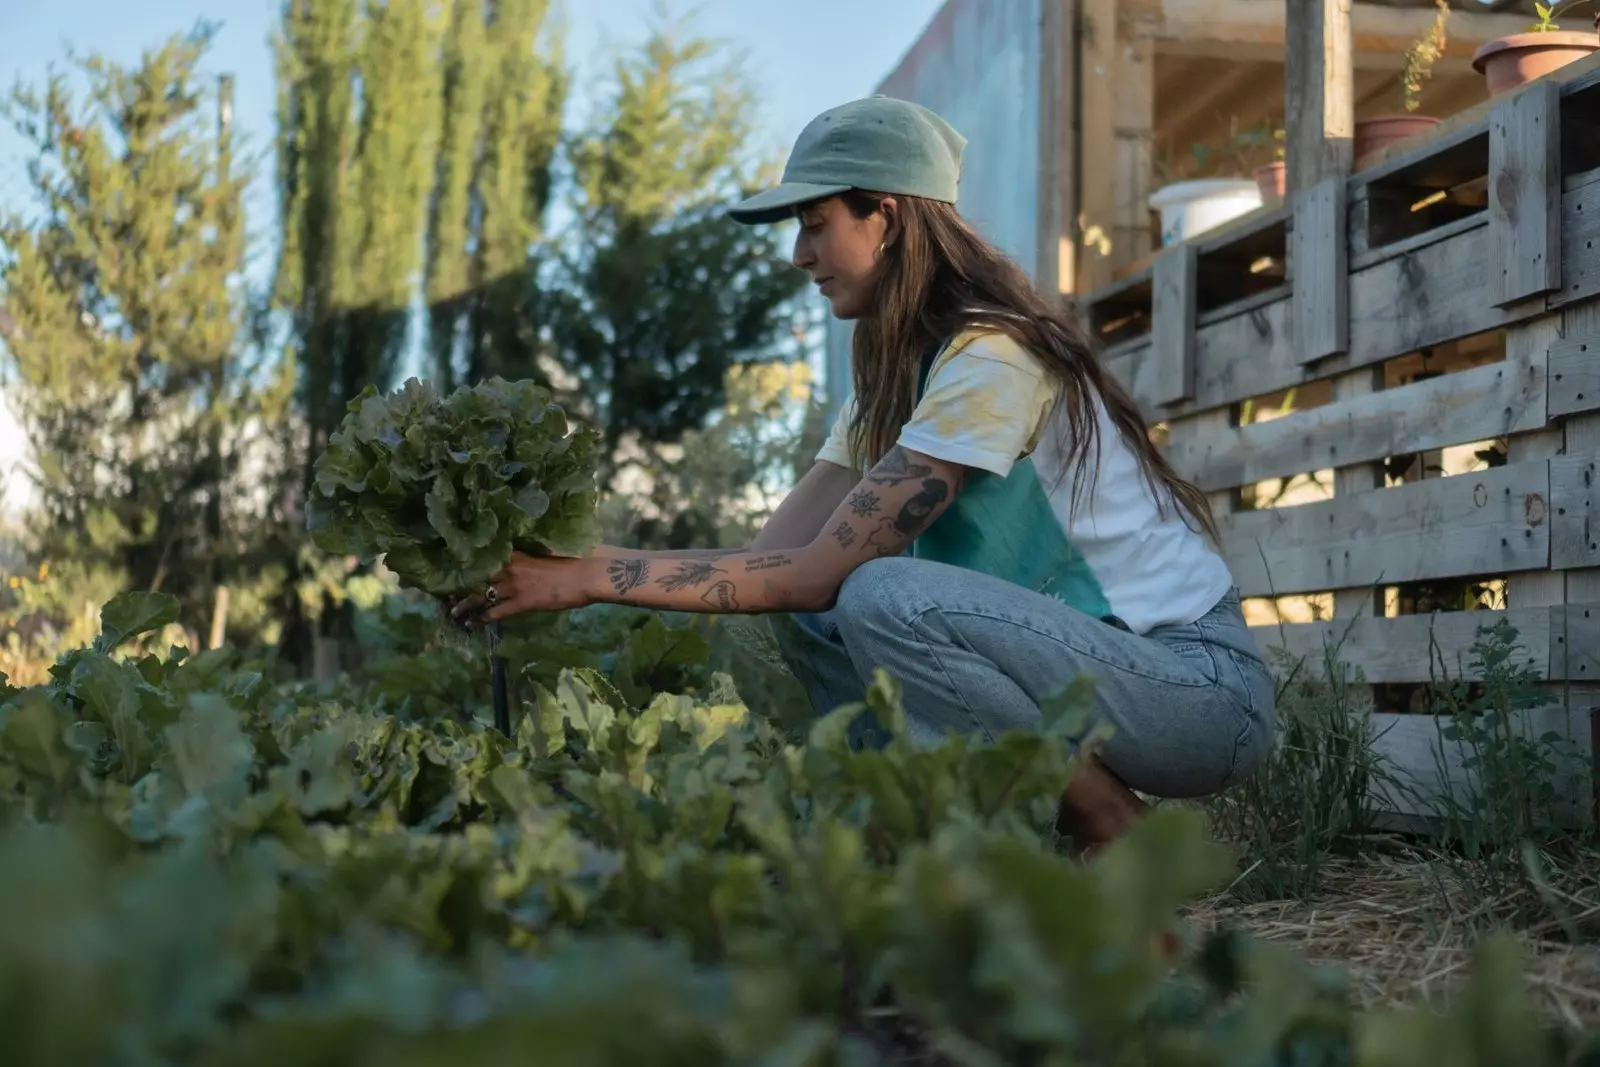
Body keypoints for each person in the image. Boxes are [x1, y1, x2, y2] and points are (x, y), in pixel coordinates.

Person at [453, 96, 1276, 855]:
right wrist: (565, 564)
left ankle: (1110, 827)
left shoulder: (993, 357)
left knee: (877, 593)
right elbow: (773, 560)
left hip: (1196, 693)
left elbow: (813, 574)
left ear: (885, 216)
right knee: (814, 615)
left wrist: (590, 578)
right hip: (1090, 680)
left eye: (815, 224)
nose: (799, 254)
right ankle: (918, 826)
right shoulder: (893, 379)